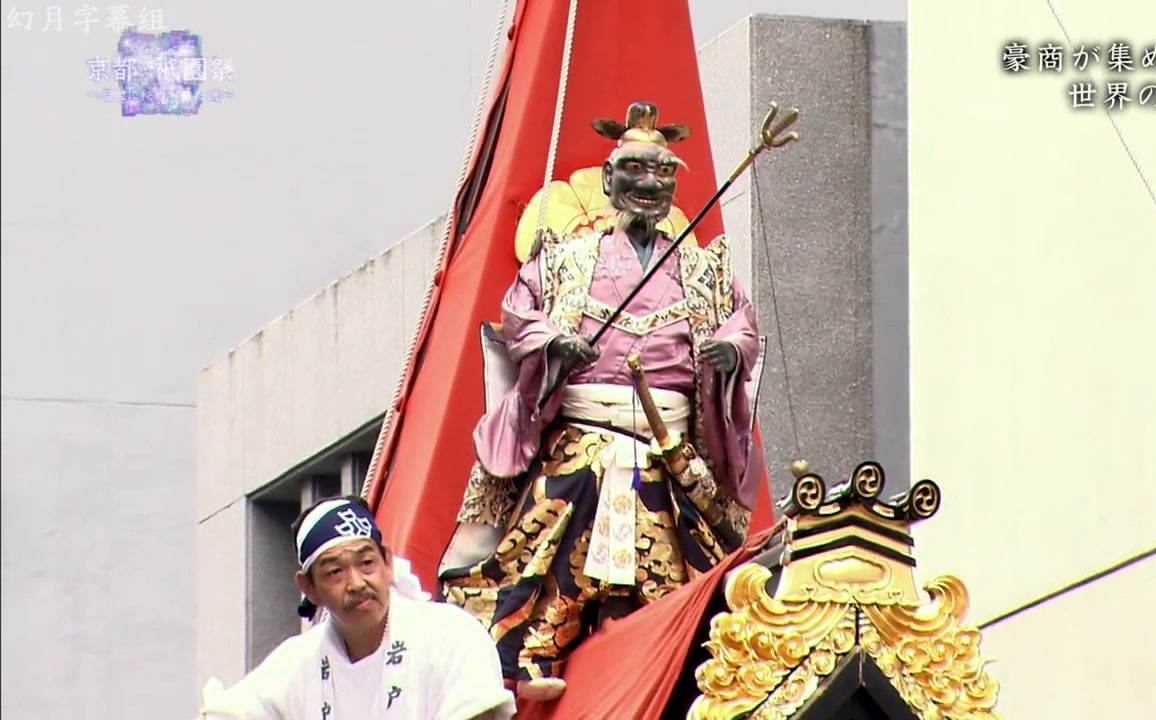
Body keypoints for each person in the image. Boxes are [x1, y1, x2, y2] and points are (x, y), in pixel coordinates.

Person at [438, 101, 764, 702]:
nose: (649, 184)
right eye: (635, 170)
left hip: (668, 444)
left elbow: (744, 326)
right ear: (610, 181)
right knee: (551, 541)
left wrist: (727, 352)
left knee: (682, 562)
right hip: (583, 434)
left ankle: (676, 654)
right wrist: (556, 344)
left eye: (663, 173)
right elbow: (519, 315)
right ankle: (533, 651)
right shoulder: (564, 260)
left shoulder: (703, 268)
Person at [196, 495, 517, 720]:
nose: (356, 583)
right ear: (309, 588)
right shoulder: (296, 663)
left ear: (388, 563)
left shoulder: (452, 636)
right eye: (335, 572)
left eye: (366, 563)